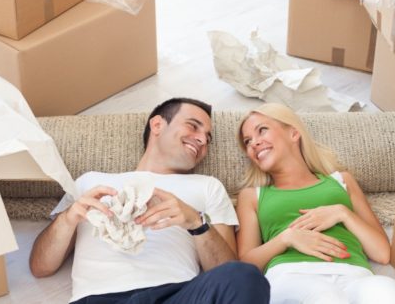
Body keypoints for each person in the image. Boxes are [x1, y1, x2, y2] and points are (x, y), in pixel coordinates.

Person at [30, 98, 270, 304]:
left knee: (245, 276)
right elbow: (41, 267)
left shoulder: (207, 186)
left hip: (176, 294)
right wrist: (69, 217)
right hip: (98, 297)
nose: (202, 140)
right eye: (193, 126)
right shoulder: (90, 181)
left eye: (208, 137)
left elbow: (226, 271)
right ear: (157, 124)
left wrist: (196, 223)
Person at [236, 103, 395, 304]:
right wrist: (286, 238)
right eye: (247, 141)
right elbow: (245, 265)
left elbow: (382, 253)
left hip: (354, 275)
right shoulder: (252, 196)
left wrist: (342, 213)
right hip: (292, 275)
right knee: (325, 299)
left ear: (293, 133)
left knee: (386, 290)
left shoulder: (341, 181)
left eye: (262, 130)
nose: (254, 143)